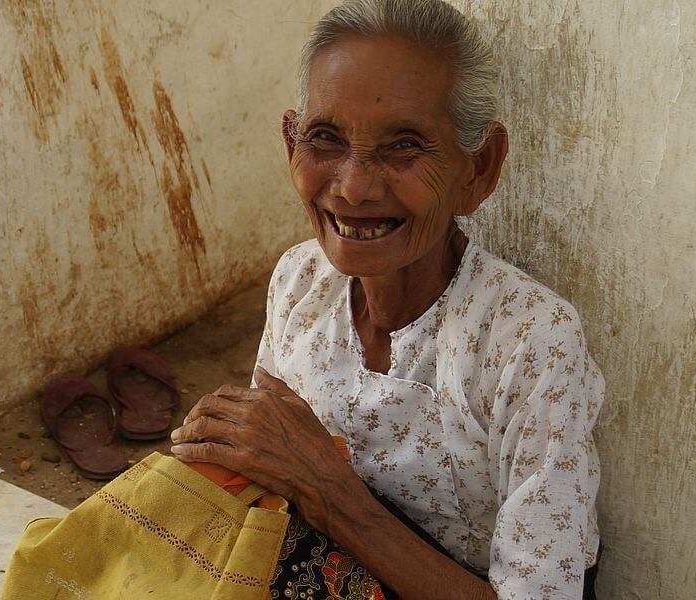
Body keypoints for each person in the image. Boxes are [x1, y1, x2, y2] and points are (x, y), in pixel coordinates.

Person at [170, 1, 603, 598]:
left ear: (478, 170)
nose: (353, 187)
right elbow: (269, 482)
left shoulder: (529, 339)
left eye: (404, 147)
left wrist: (330, 493)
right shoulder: (300, 281)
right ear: (291, 142)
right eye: (324, 139)